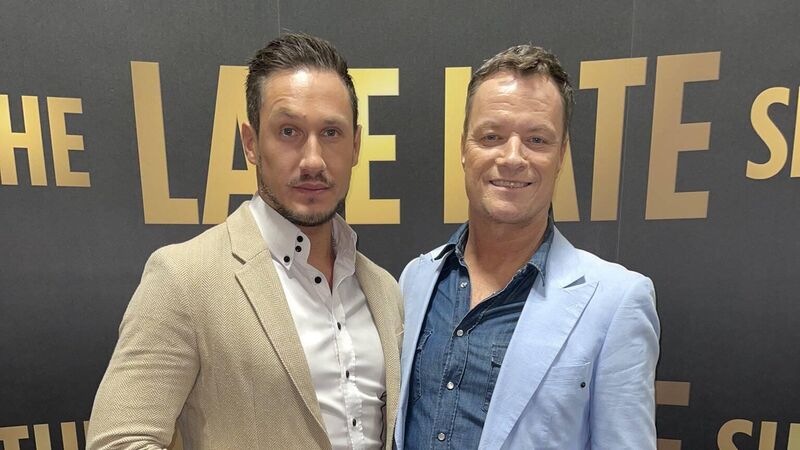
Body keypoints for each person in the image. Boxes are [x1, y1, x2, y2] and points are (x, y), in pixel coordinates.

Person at [87, 33, 403, 450]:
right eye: (288, 131)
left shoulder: (384, 289)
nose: (313, 160)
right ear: (251, 143)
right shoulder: (183, 278)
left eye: (331, 132)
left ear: (356, 145)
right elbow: (119, 441)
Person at [395, 44, 659, 449]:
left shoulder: (617, 301)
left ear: (561, 155)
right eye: (492, 136)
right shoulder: (416, 279)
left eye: (537, 139)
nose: (512, 157)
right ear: (464, 148)